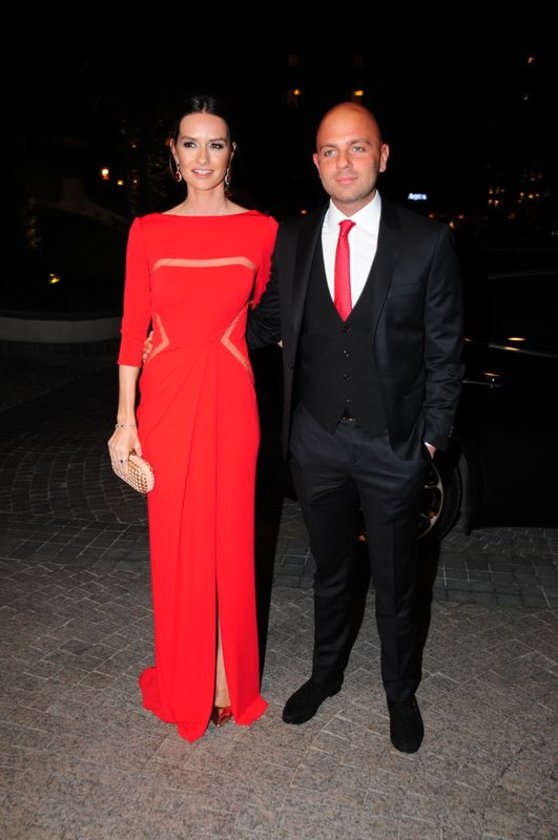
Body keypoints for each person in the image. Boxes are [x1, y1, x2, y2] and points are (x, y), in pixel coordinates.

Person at [247, 102, 464, 753]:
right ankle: (326, 674)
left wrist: (429, 439)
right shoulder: (290, 239)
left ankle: (400, 693)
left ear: (383, 156)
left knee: (397, 581)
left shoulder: (427, 242)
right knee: (330, 571)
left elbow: (445, 351)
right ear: (315, 163)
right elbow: (263, 323)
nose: (343, 162)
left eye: (357, 147)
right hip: (314, 441)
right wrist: (185, 327)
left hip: (393, 444)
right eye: (330, 150)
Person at [108, 95, 277, 743]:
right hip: (166, 402)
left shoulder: (261, 230)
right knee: (177, 544)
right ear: (174, 155)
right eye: (190, 143)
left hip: (231, 399)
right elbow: (133, 330)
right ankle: (189, 682)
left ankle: (230, 681)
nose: (203, 156)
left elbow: (263, 311)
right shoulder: (147, 231)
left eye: (215, 143)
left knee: (231, 539)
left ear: (232, 155)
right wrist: (125, 420)